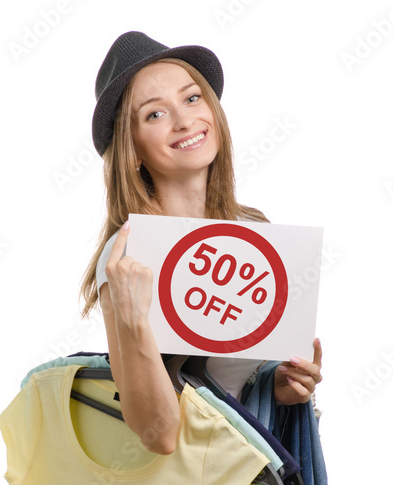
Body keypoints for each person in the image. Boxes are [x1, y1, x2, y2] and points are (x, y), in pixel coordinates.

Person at [78, 30, 323, 456]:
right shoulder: (127, 257)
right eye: (155, 114)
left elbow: (239, 383)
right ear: (132, 150)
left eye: (192, 98)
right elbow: (158, 436)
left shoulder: (253, 230)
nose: (185, 120)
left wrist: (282, 387)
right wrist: (133, 319)